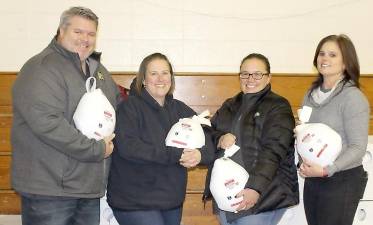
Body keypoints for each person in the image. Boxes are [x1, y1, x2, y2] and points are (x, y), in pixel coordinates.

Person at [11, 6, 120, 225]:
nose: (85, 39)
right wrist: (96, 149)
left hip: (87, 187)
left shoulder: (98, 71)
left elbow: (117, 109)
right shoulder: (41, 68)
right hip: (49, 191)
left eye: (91, 34)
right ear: (61, 31)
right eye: (78, 32)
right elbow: (48, 124)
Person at [106, 52, 214, 225]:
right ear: (143, 79)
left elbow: (209, 137)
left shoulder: (180, 110)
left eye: (165, 73)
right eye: (153, 73)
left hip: (171, 201)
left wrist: (200, 155)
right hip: (134, 201)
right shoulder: (129, 108)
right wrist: (176, 154)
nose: (160, 78)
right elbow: (129, 148)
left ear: (171, 78)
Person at [203, 53, 299, 225]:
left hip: (263, 194)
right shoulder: (230, 104)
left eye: (257, 74)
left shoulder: (278, 106)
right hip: (227, 195)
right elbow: (209, 132)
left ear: (268, 77)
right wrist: (219, 138)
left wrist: (254, 188)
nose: (250, 79)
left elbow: (273, 151)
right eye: (245, 73)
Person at [298, 34, 369, 225]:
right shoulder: (310, 95)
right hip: (314, 179)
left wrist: (327, 170)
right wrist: (303, 164)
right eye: (322, 54)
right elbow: (303, 134)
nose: (325, 59)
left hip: (342, 179)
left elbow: (357, 147)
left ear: (346, 63)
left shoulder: (353, 97)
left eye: (332, 55)